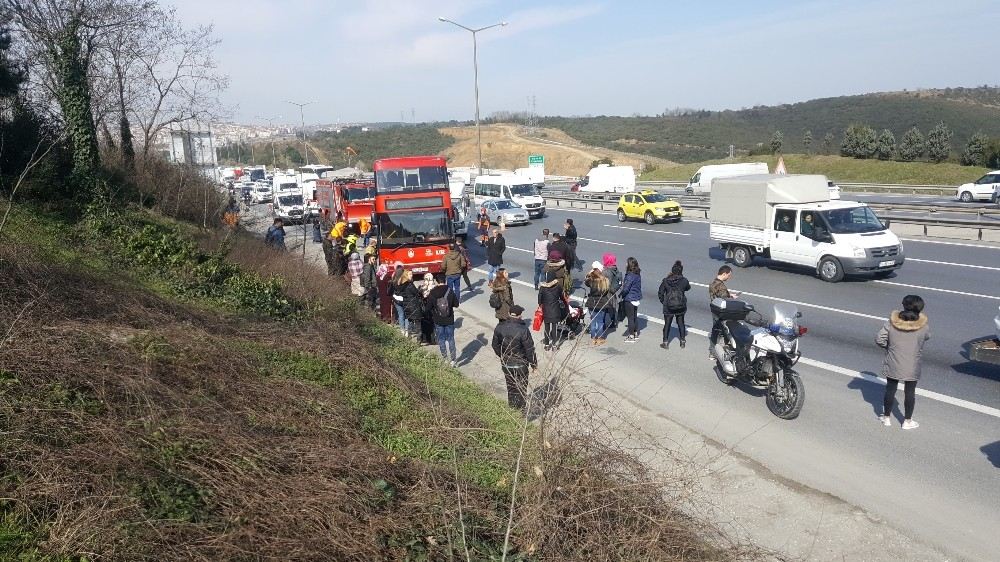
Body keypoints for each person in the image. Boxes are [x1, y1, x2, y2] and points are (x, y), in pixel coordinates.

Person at [876, 295, 930, 430]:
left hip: (894, 361)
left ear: (904, 306)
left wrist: (891, 348)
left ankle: (886, 418)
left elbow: (879, 339)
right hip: (912, 364)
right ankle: (907, 421)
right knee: (910, 392)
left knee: (890, 389)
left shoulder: (891, 323)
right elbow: (927, 337)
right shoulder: (923, 326)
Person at [491, 304, 537, 412]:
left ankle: (512, 410)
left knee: (511, 388)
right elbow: (529, 349)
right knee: (521, 388)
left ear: (508, 314)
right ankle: (521, 412)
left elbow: (494, 345)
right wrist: (534, 364)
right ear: (520, 316)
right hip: (521, 365)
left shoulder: (500, 327)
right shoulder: (523, 330)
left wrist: (502, 356)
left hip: (507, 364)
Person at [428, 275, 461, 366]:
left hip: (438, 320)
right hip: (449, 319)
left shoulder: (432, 292)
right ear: (445, 281)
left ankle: (445, 358)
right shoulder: (450, 291)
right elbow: (456, 304)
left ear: (437, 282)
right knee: (451, 339)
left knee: (441, 339)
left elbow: (428, 307)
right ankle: (453, 360)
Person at [657, 260, 691, 349]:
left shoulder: (665, 281)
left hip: (668, 307)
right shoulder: (684, 280)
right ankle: (682, 341)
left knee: (667, 324)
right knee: (681, 323)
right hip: (680, 306)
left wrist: (664, 302)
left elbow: (660, 293)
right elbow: (688, 288)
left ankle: (665, 342)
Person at [708, 265, 740, 359]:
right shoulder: (721, 286)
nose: (729, 277)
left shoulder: (713, 283)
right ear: (724, 273)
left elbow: (718, 294)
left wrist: (729, 294)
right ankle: (718, 353)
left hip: (714, 309)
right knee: (723, 332)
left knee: (715, 331)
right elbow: (724, 299)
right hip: (721, 312)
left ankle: (712, 352)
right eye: (729, 275)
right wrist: (731, 298)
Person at [538, 269, 567, 351]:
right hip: (555, 310)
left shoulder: (543, 287)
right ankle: (554, 346)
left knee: (547, 328)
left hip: (546, 310)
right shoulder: (558, 287)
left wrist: (542, 304)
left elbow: (539, 300)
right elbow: (561, 297)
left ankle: (547, 345)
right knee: (554, 328)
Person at [585, 262, 613, 346]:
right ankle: (600, 338)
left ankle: (593, 338)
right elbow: (607, 291)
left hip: (592, 302)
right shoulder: (605, 281)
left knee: (593, 321)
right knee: (600, 321)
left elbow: (586, 281)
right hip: (602, 302)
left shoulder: (591, 281)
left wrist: (590, 272)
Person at [620, 257, 642, 342]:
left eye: (626, 263)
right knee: (634, 317)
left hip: (629, 298)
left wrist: (621, 294)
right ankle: (635, 333)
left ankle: (631, 336)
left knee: (630, 318)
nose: (625, 264)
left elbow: (626, 289)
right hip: (636, 298)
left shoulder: (629, 275)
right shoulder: (637, 274)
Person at [398, 270, 424, 340]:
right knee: (418, 323)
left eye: (412, 274)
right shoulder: (409, 284)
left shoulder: (402, 284)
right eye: (409, 274)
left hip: (407, 306)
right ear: (406, 275)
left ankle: (409, 338)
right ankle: (419, 340)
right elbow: (416, 293)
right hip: (414, 305)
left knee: (410, 322)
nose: (411, 275)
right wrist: (420, 290)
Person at [603, 253, 622, 330]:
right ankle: (613, 322)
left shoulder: (606, 271)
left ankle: (603, 324)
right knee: (612, 308)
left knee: (603, 308)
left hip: (607, 293)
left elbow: (606, 283)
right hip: (613, 292)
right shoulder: (615, 268)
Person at [419, 273, 438, 345]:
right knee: (431, 323)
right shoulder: (434, 288)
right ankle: (431, 339)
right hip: (430, 308)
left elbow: (419, 294)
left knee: (425, 323)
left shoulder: (422, 287)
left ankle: (425, 338)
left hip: (424, 308)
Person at [390, 265, 408, 334]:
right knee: (406, 315)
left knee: (400, 314)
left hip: (396, 300)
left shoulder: (393, 281)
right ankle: (407, 330)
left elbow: (391, 291)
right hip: (404, 299)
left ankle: (402, 330)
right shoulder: (405, 281)